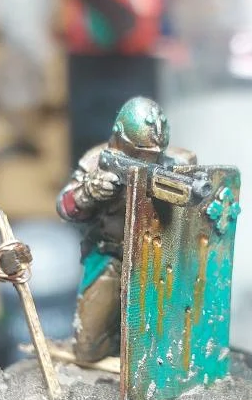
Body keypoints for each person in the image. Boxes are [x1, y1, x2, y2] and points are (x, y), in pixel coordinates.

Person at [56, 96, 196, 362]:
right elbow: (65, 207)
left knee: (162, 347)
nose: (148, 159)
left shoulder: (177, 163)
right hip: (111, 256)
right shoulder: (97, 161)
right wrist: (88, 193)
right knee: (88, 348)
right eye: (141, 152)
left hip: (158, 262)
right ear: (121, 139)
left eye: (154, 153)